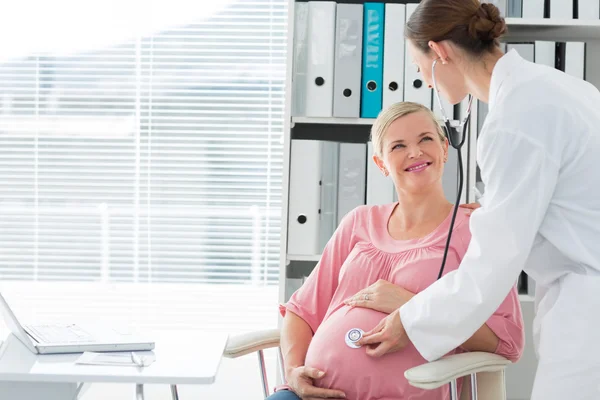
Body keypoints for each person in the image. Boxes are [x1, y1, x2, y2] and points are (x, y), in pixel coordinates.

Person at [356, 1, 600, 399]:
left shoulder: (514, 120)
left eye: (420, 70)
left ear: (439, 53)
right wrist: (498, 210)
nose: (428, 83)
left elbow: (492, 264)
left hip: (589, 308)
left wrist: (411, 320)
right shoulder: (557, 87)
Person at [268, 102, 524, 400]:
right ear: (381, 164)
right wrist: (293, 372)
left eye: (425, 139)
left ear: (444, 148)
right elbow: (301, 311)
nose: (414, 152)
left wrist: (413, 308)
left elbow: (507, 342)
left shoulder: (475, 231)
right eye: (398, 146)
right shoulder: (359, 222)